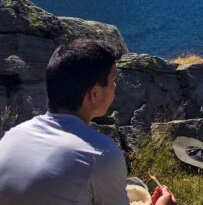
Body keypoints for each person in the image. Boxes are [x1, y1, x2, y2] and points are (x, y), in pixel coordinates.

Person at [0, 39, 176, 205]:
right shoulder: (100, 154)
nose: (115, 87)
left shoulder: (11, 136)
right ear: (95, 94)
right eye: (114, 80)